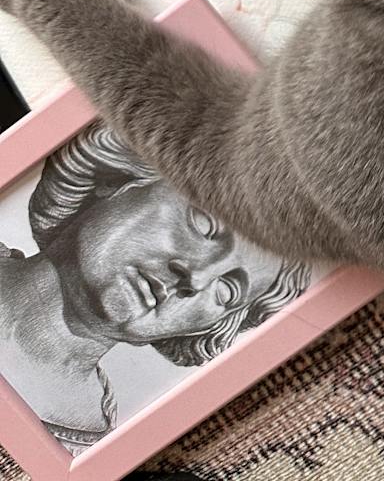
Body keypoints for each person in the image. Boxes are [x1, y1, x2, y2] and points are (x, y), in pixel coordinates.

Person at [0, 122, 309, 451]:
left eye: (227, 292)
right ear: (116, 180)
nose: (196, 278)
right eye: (204, 223)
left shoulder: (91, 452)